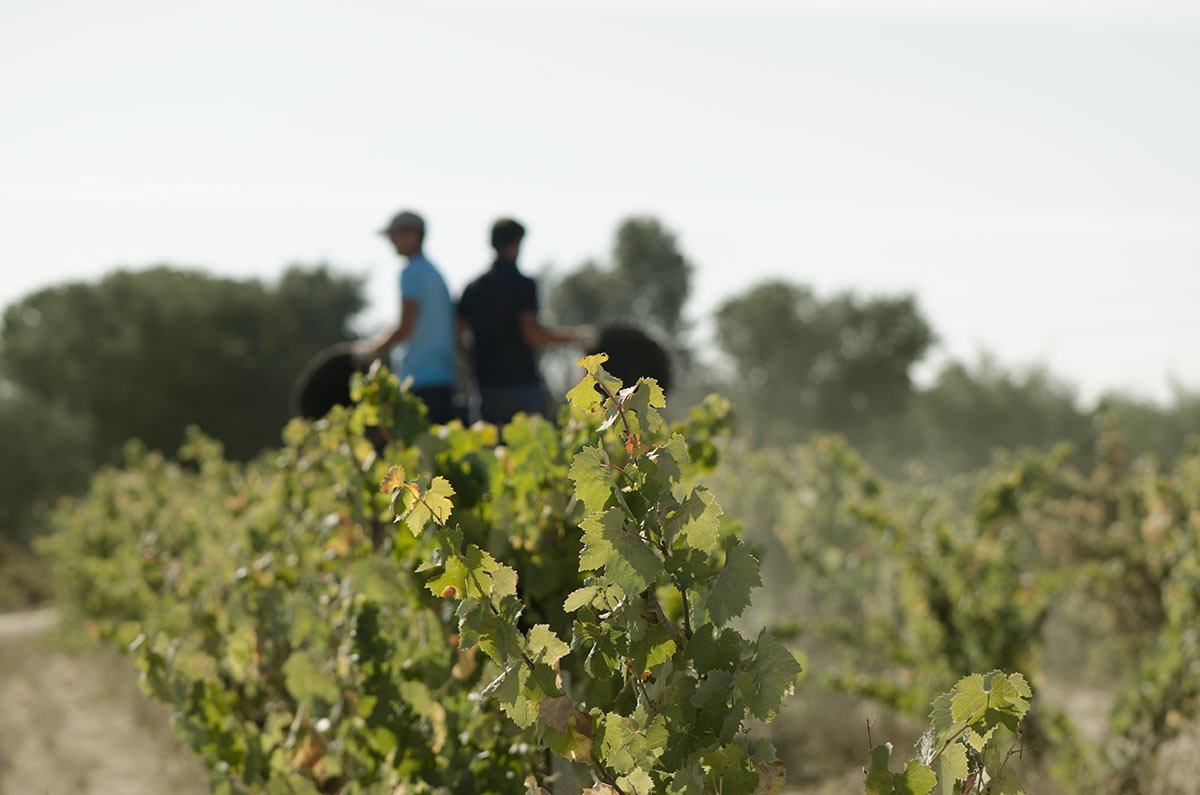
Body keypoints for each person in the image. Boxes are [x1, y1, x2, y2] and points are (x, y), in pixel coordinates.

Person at [458, 217, 597, 425]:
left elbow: (458, 337)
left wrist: (479, 358)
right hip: (523, 385)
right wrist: (576, 337)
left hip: (487, 386)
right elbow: (531, 334)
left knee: (491, 452)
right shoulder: (522, 284)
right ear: (517, 243)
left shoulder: (473, 288)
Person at [355, 210, 457, 424]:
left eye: (395, 234)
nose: (391, 241)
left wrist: (372, 350)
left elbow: (406, 326)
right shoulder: (435, 273)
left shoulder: (410, 272)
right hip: (444, 379)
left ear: (413, 235)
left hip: (418, 380)